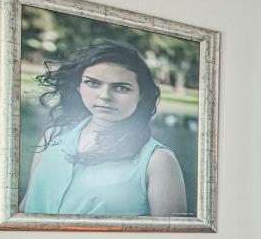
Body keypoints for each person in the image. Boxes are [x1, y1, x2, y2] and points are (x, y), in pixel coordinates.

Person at [20, 40, 187, 217]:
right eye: (93, 83)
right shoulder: (53, 136)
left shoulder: (158, 161)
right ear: (78, 86)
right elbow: (26, 206)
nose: (105, 96)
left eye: (121, 88)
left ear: (141, 95)